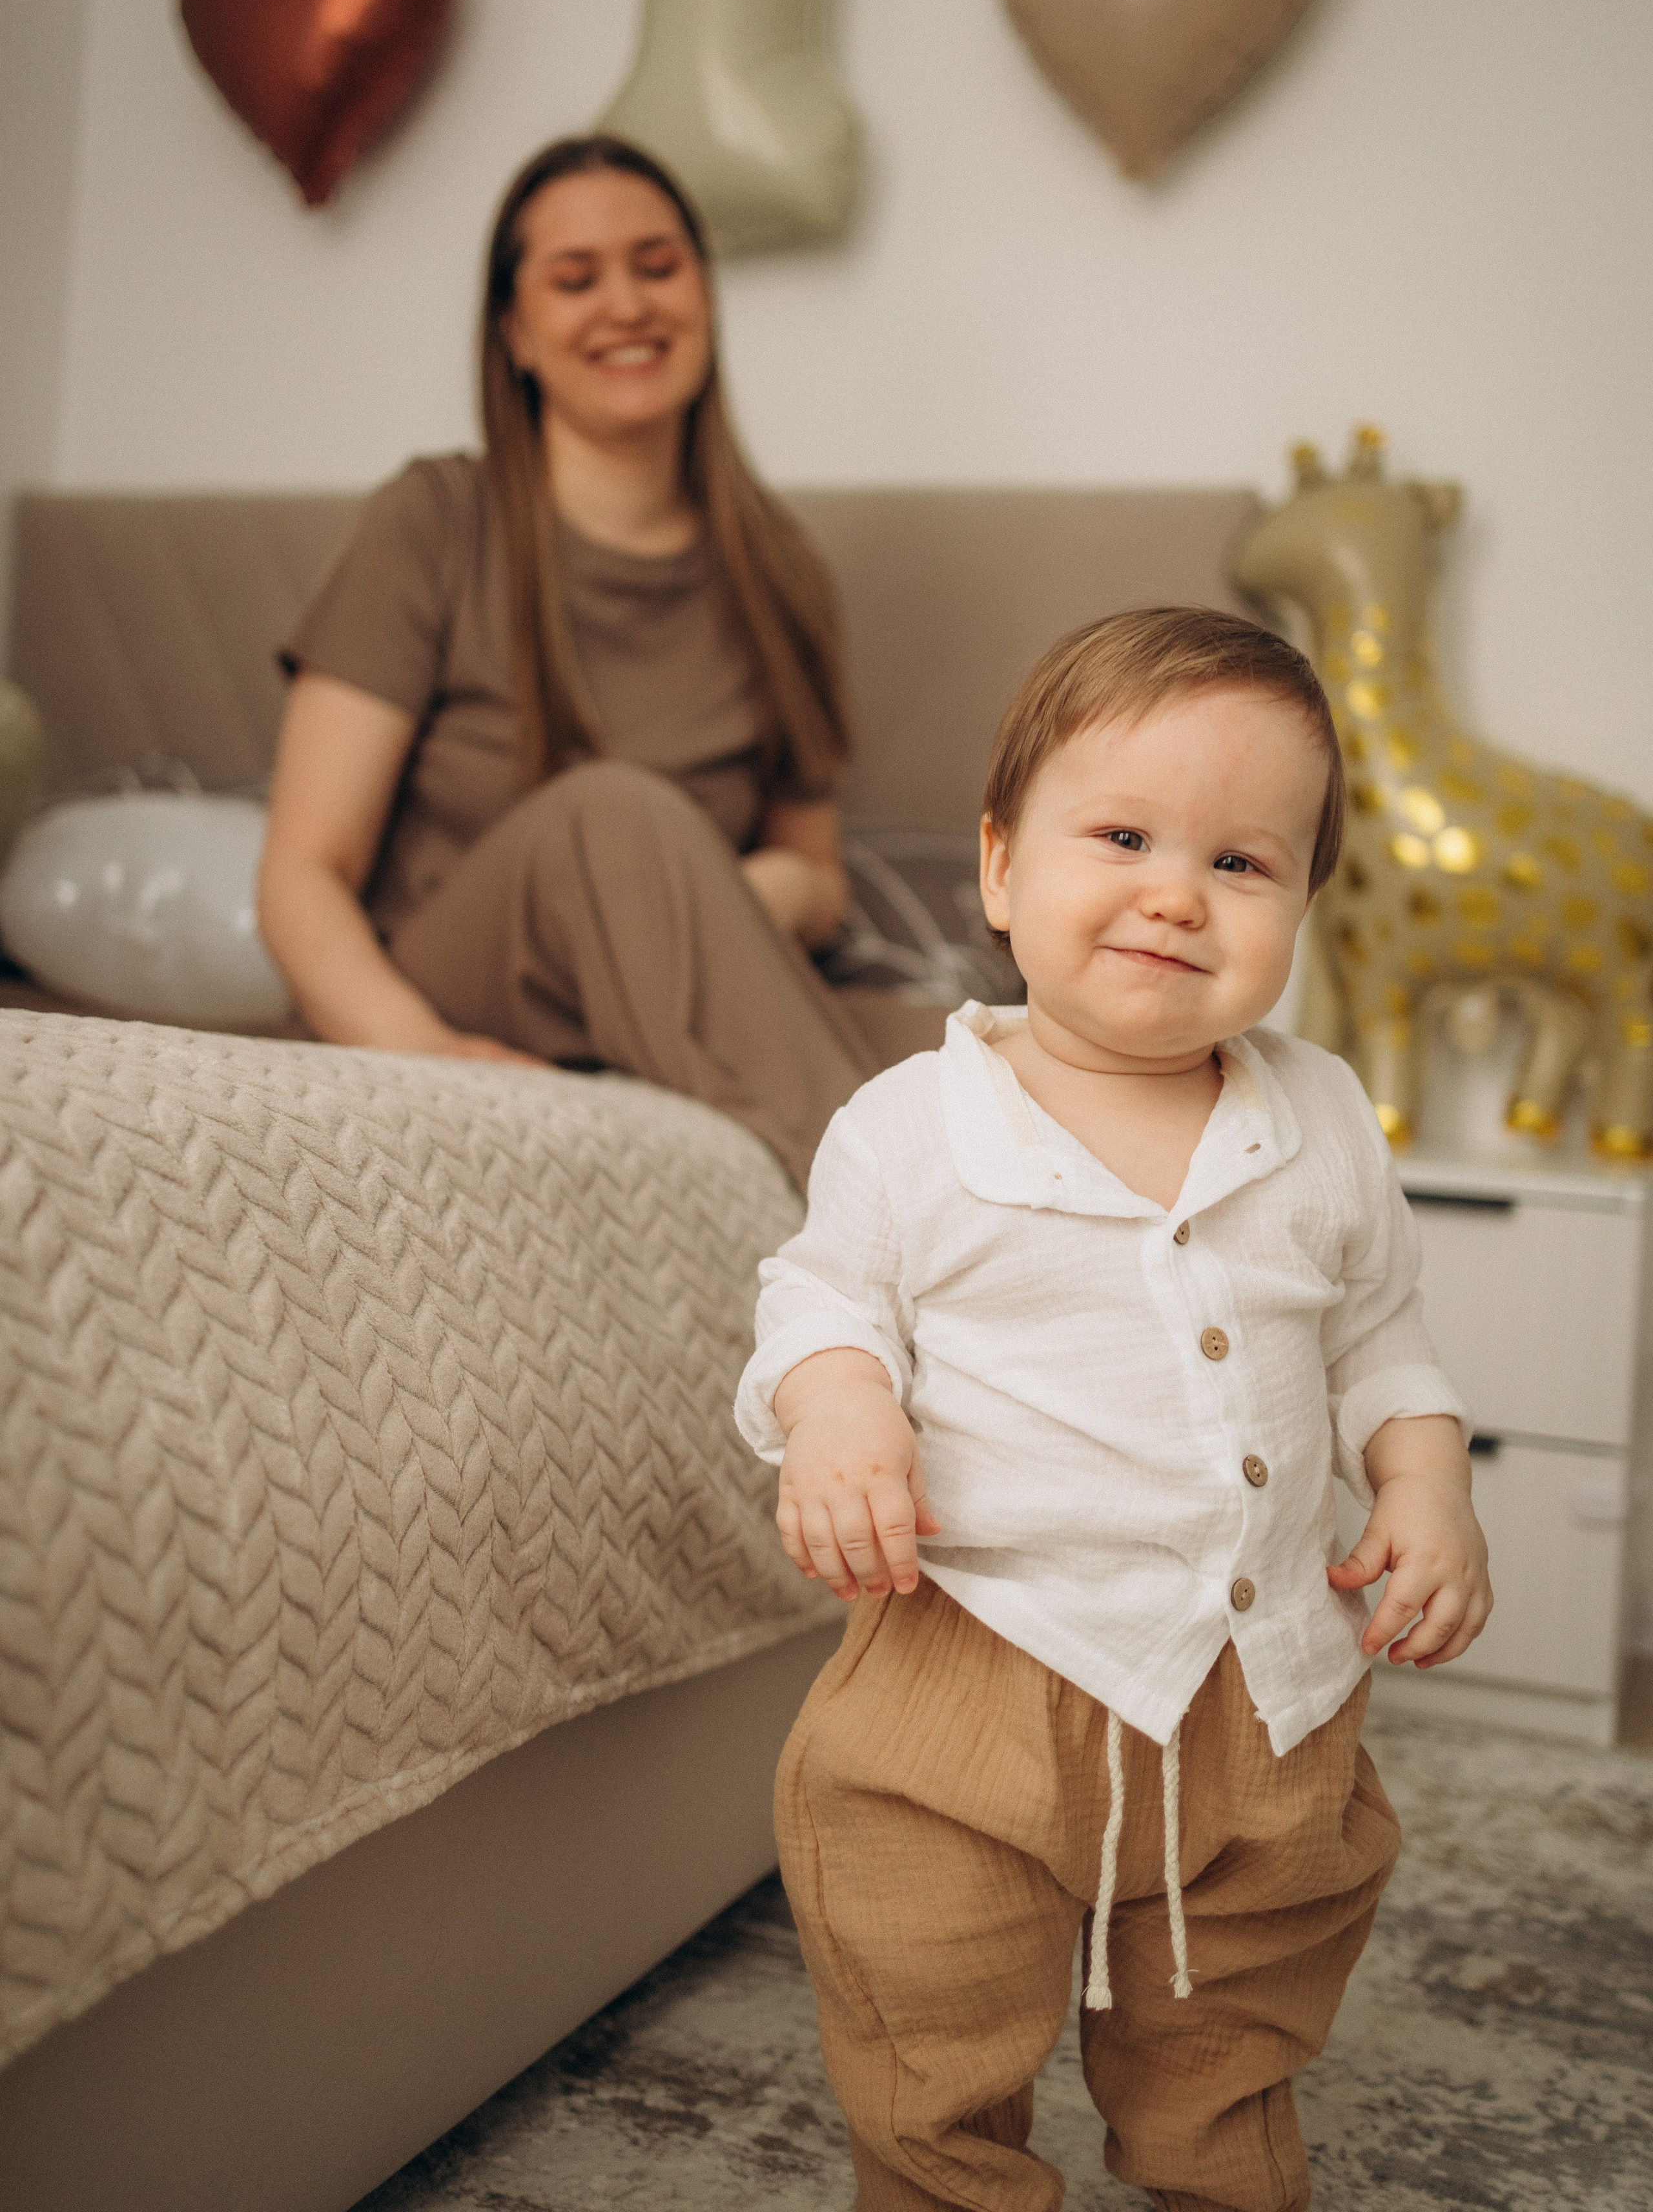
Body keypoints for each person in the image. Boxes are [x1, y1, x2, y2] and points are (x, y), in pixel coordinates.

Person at [734, 607, 1493, 2212]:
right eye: (1124, 836)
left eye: (1241, 863)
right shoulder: (908, 1124)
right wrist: (839, 1412)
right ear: (1001, 870)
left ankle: (1215, 2165)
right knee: (927, 2008)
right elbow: (818, 1301)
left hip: (1260, 1680)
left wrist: (1424, 1487)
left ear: (1302, 904)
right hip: (975, 1672)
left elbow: (1379, 1339)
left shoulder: (1324, 1117)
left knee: (1236, 2013)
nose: (1173, 890)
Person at [258, 134, 881, 1192]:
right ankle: (904, 1240)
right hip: (452, 988)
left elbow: (816, 878)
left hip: (653, 1002)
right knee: (615, 815)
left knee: (967, 1041)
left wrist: (699, 905)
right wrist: (419, 1050)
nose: (627, 306)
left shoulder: (781, 568)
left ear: (706, 296)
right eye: (575, 279)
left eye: (658, 265)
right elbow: (301, 877)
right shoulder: (435, 521)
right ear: (516, 332)